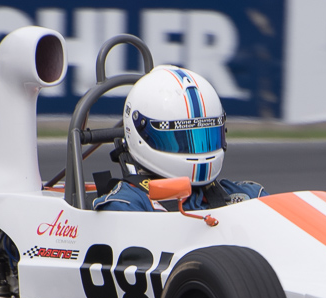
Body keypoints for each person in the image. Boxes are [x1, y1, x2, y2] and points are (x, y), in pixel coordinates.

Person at [92, 65, 267, 212]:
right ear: (142, 132)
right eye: (180, 139)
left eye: (204, 136)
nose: (197, 150)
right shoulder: (126, 206)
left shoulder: (249, 196)